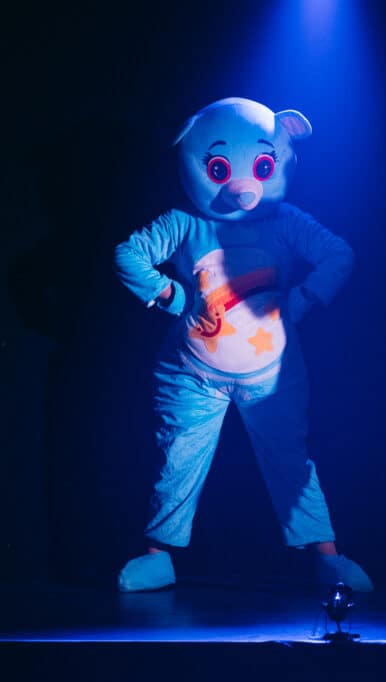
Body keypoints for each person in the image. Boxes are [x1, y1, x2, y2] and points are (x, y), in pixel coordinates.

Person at [113, 98, 372, 593]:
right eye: (218, 167)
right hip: (193, 373)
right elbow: (129, 255)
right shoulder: (184, 222)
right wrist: (172, 296)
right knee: (179, 460)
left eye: (262, 166)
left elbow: (338, 254)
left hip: (271, 374)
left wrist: (302, 300)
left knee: (291, 462)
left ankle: (327, 557)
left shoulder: (285, 220)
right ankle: (158, 556)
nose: (243, 184)